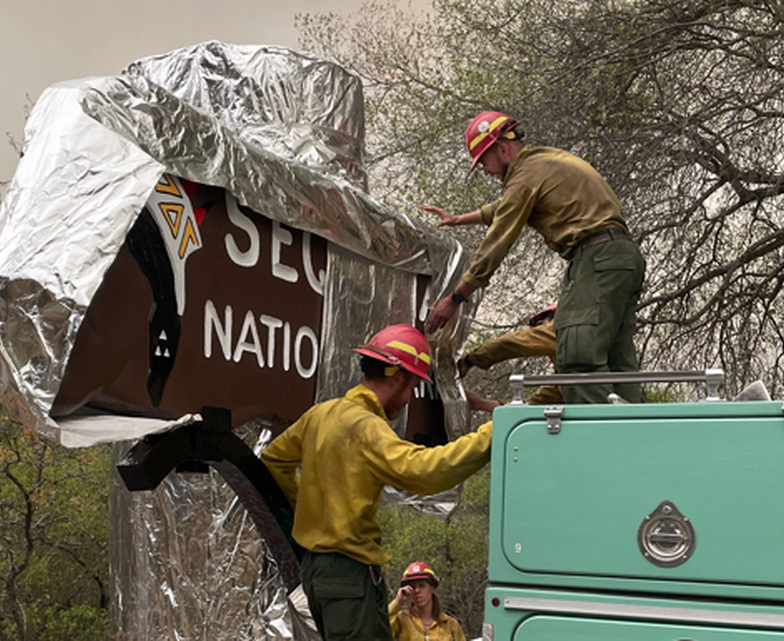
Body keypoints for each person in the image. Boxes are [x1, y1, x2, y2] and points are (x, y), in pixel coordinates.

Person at [260, 324, 493, 641]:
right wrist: (493, 434)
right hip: (349, 576)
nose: (410, 399)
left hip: (317, 572)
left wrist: (306, 507)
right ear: (397, 377)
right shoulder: (365, 426)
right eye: (411, 387)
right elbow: (425, 471)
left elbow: (273, 460)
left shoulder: (321, 414)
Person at [422, 111, 646, 404]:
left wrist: (456, 298)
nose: (486, 171)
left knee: (577, 356)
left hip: (596, 259)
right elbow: (504, 207)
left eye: (484, 162)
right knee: (618, 364)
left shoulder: (525, 176)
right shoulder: (542, 162)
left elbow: (498, 241)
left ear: (502, 148)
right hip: (622, 258)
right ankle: (639, 434)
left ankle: (605, 443)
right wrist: (459, 219)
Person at [459, 303, 562, 406]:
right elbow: (541, 401)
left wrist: (468, 362)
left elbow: (509, 343)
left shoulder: (559, 330)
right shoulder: (566, 371)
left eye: (539, 325)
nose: (537, 329)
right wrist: (482, 404)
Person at [389, 562, 467, 641]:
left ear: (432, 587)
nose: (417, 591)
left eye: (422, 586)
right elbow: (379, 628)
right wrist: (397, 601)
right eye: (412, 587)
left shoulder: (450, 624)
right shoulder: (401, 620)